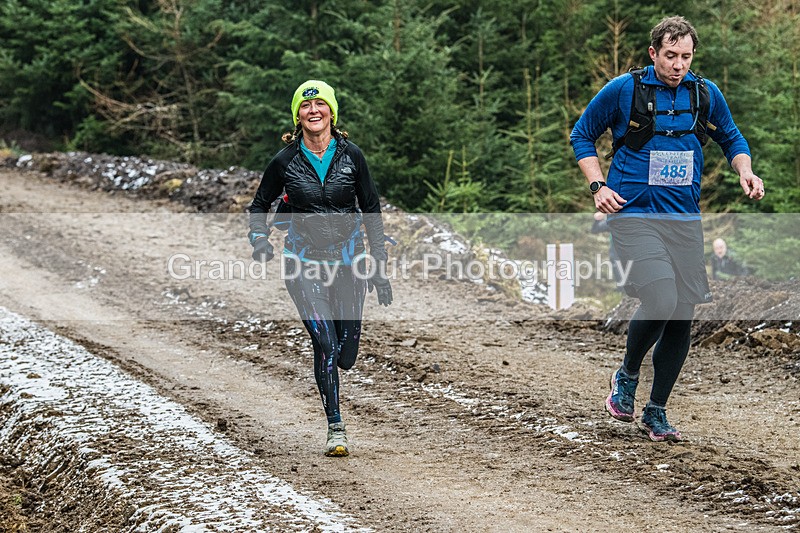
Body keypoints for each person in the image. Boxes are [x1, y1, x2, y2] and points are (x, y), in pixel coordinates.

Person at [570, 16, 764, 441]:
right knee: (660, 297)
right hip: (634, 214)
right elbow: (582, 134)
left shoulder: (704, 93)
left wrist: (745, 171)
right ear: (653, 53)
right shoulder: (624, 90)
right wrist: (598, 185)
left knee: (681, 316)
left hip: (683, 220)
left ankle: (656, 411)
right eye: (670, 55)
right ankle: (626, 375)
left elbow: (732, 138)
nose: (678, 65)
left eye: (686, 57)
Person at [248, 80, 393, 457]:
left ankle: (337, 385)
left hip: (349, 262)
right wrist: (259, 239)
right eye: (305, 106)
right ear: (297, 116)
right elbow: (259, 205)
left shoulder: (352, 156)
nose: (313, 111)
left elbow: (372, 210)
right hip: (303, 263)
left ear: (331, 111)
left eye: (320, 104)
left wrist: (379, 266)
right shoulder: (285, 161)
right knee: (325, 344)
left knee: (346, 355)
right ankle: (336, 427)